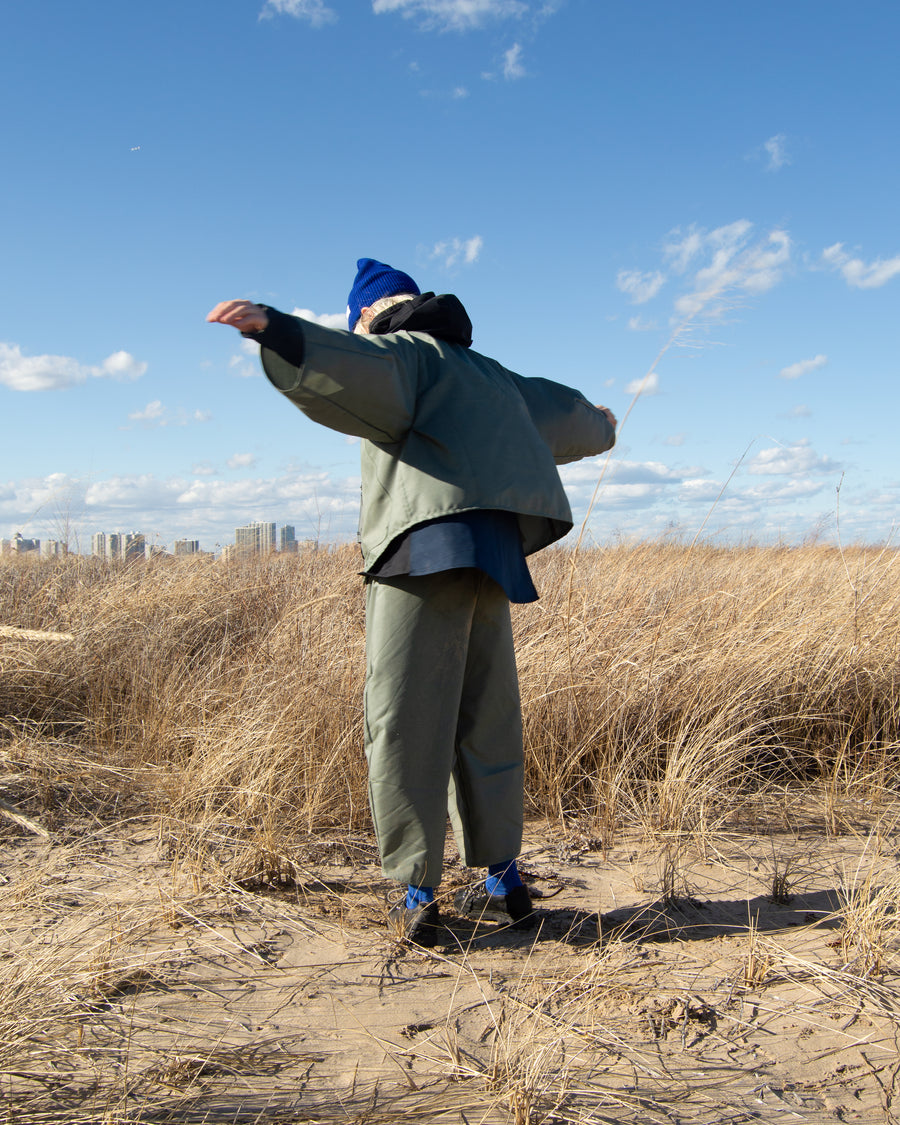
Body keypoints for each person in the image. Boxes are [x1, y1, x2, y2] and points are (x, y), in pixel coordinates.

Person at [207, 258, 617, 946]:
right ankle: (503, 878)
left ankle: (418, 890)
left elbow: (359, 371)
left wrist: (278, 332)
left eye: (359, 322)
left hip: (421, 550)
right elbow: (571, 415)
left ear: (370, 314)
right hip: (493, 551)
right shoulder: (491, 374)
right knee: (487, 715)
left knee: (404, 717)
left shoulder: (406, 355)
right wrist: (605, 425)